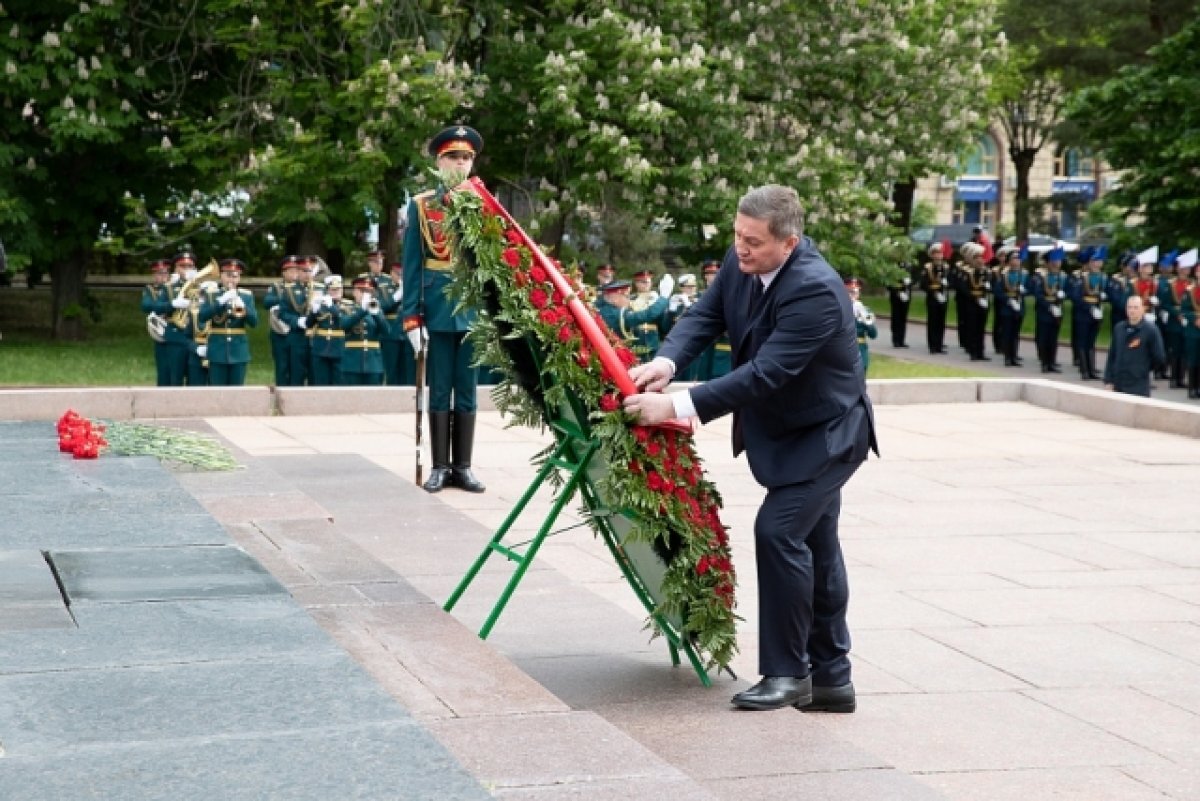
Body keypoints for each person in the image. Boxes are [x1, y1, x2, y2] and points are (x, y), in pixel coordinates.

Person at [623, 184, 877, 713]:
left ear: (789, 243)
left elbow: (767, 373)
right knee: (818, 545)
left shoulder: (815, 289)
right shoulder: (742, 257)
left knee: (779, 531)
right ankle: (832, 679)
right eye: (738, 236)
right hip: (789, 433)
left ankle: (788, 674)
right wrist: (666, 364)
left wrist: (673, 408)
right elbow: (702, 316)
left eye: (754, 243)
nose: (741, 250)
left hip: (827, 436)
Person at [402, 124, 486, 494]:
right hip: (436, 308)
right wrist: (411, 317)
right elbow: (412, 265)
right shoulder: (422, 205)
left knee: (467, 389)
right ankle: (439, 466)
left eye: (467, 157)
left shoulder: (483, 202)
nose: (461, 163)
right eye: (454, 156)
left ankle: (463, 467)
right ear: (439, 161)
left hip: (472, 311)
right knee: (439, 389)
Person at [199, 258, 258, 386]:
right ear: (221, 276)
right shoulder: (212, 295)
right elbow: (202, 316)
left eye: (235, 276)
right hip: (217, 350)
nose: (231, 280)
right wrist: (220, 302)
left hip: (238, 350)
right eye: (228, 276)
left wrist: (244, 308)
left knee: (237, 390)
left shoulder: (246, 296)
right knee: (217, 390)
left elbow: (254, 322)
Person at [1104, 295, 1166, 397]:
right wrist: (1108, 380)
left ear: (1143, 309)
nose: (1132, 311)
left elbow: (1159, 357)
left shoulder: (1151, 330)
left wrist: (1142, 368)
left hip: (1138, 386)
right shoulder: (1119, 328)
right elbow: (1112, 355)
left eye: (1136, 307)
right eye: (1129, 307)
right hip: (1118, 384)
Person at [141, 257, 182, 386]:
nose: (163, 276)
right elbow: (146, 305)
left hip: (178, 329)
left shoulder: (176, 288)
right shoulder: (151, 290)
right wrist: (165, 305)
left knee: (178, 370)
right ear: (154, 275)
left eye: (165, 273)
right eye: (159, 273)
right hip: (162, 330)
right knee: (163, 368)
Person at [339, 274, 386, 385]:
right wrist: (362, 310)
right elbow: (344, 325)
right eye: (362, 291)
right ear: (354, 292)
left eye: (368, 292)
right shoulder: (346, 308)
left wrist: (376, 314)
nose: (366, 295)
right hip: (352, 362)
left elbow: (386, 331)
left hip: (373, 363)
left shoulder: (377, 310)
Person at [1070, 246, 1107, 380]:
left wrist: (1101, 300)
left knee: (1091, 342)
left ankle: (1091, 369)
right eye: (1095, 261)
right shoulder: (1082, 277)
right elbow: (1076, 297)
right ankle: (1084, 370)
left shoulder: (1102, 277)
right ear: (1090, 262)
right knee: (1082, 342)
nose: (1098, 263)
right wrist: (1089, 308)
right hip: (1083, 314)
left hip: (1096, 313)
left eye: (1100, 261)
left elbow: (1101, 294)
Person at [1028, 247, 1067, 373]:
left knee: (1053, 338)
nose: (1056, 264)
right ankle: (1045, 363)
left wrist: (1061, 297)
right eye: (1053, 261)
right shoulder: (1040, 276)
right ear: (1047, 263)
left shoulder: (1061, 276)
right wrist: (1050, 306)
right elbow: (1038, 295)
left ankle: (1052, 362)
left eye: (1058, 261)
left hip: (1057, 311)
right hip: (1044, 311)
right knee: (1044, 338)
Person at [306, 274, 346, 386]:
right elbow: (308, 324)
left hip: (339, 348)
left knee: (339, 383)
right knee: (320, 383)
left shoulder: (348, 305)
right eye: (333, 290)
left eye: (338, 289)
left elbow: (343, 321)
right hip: (321, 348)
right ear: (327, 290)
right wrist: (313, 311)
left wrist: (332, 307)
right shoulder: (321, 306)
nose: (336, 292)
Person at [697, 259, 732, 378]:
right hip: (704, 352)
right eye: (709, 274)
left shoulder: (730, 296)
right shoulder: (698, 298)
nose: (713, 277)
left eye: (716, 274)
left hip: (722, 351)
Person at [993, 246, 1027, 367]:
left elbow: (1030, 288)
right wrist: (1008, 300)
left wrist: (1024, 290)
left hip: (1019, 306)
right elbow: (998, 291)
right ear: (1009, 261)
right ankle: (1008, 357)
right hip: (1007, 308)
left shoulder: (1023, 274)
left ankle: (1014, 356)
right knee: (1007, 333)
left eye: (1018, 259)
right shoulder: (1003, 275)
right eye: (1014, 258)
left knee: (1015, 333)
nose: (1017, 261)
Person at [664, 273, 701, 380]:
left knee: (692, 379)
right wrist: (671, 310)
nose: (691, 289)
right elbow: (665, 327)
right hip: (677, 346)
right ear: (681, 288)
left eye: (693, 286)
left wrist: (689, 305)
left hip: (694, 345)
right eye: (688, 287)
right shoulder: (677, 301)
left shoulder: (700, 301)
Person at [920, 242, 951, 354]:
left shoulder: (945, 267)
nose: (939, 256)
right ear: (932, 255)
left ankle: (939, 345)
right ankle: (932, 346)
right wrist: (933, 292)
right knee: (933, 322)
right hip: (932, 298)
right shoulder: (928, 268)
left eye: (940, 253)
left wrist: (947, 284)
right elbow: (923, 285)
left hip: (943, 297)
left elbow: (950, 281)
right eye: (936, 254)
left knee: (941, 322)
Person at [846, 277, 877, 370]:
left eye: (855, 292)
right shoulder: (839, 309)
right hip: (844, 350)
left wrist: (866, 319)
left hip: (861, 350)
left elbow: (873, 335)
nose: (852, 295)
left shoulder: (865, 310)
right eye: (849, 292)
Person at [886, 261, 915, 348]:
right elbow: (889, 284)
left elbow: (914, 279)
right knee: (896, 318)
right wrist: (897, 291)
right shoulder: (893, 267)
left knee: (903, 318)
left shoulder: (908, 266)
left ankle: (902, 340)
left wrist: (910, 282)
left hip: (906, 295)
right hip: (896, 296)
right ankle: (895, 340)